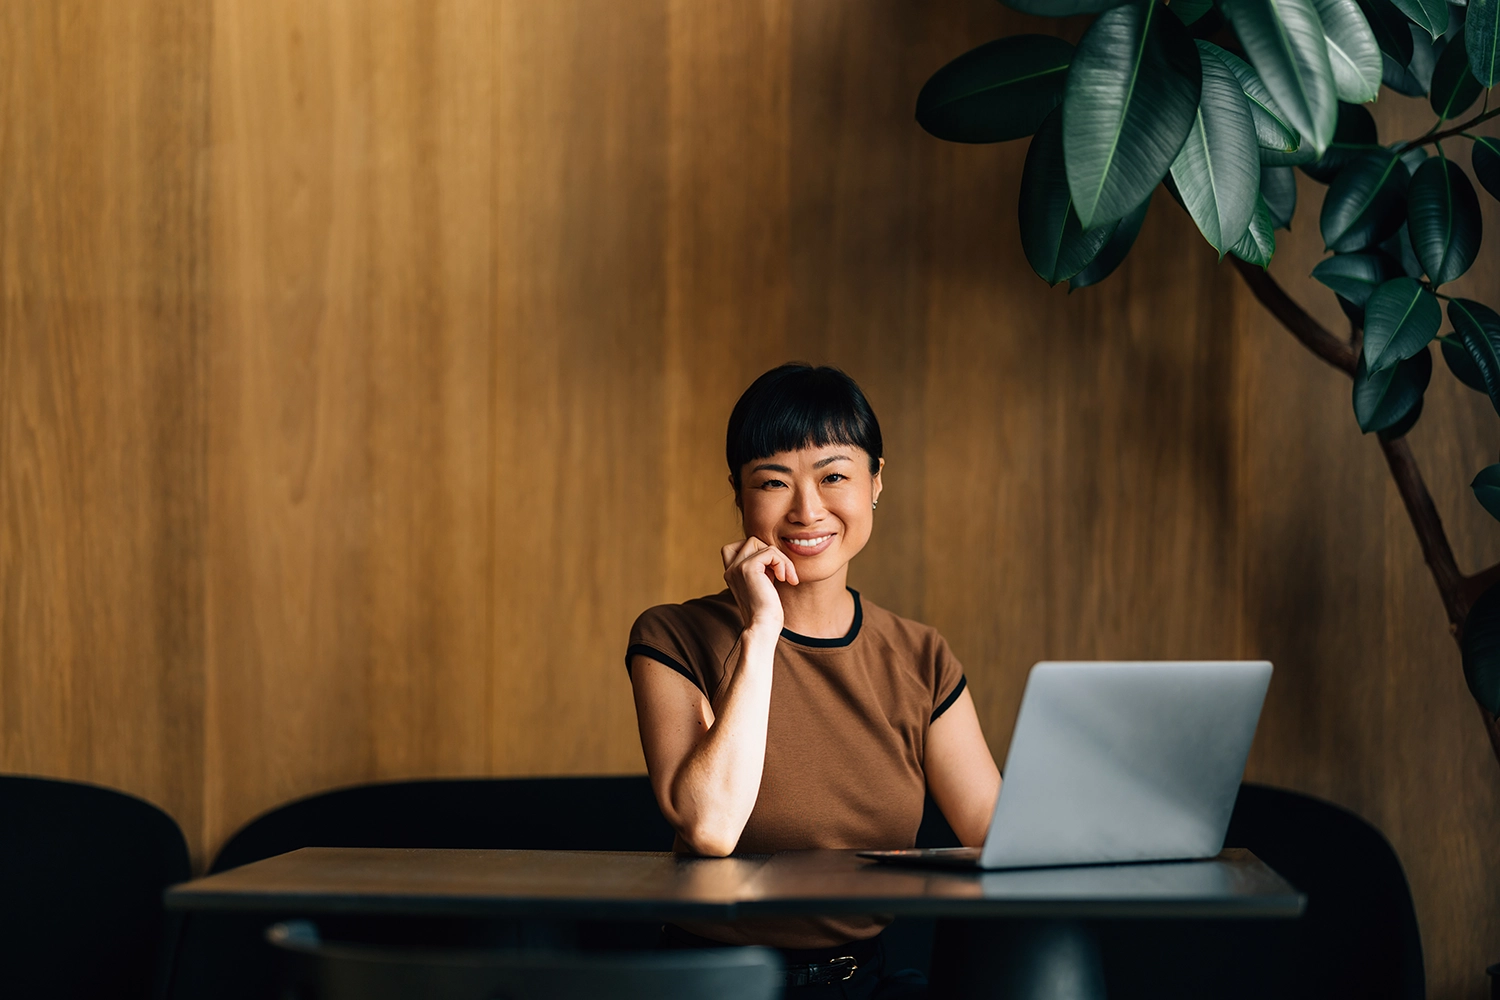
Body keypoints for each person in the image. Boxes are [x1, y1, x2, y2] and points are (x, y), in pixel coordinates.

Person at [625, 363, 1002, 997]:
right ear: (740, 495)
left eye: (834, 477)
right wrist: (761, 631)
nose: (806, 510)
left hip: (865, 981)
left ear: (876, 482)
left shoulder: (921, 656)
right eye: (773, 482)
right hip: (714, 984)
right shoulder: (672, 637)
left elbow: (995, 833)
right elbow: (710, 827)